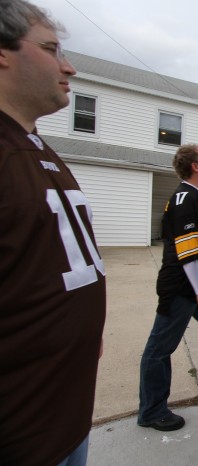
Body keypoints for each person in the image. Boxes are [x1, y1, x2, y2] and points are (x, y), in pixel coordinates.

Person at [0, 1, 106, 465]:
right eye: (50, 49)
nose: (69, 66)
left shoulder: (36, 146)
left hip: (65, 412)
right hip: (25, 431)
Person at [138, 143, 198, 431]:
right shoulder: (185, 199)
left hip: (197, 285)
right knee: (159, 348)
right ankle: (151, 411)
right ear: (196, 166)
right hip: (181, 288)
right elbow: (188, 251)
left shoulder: (196, 197)